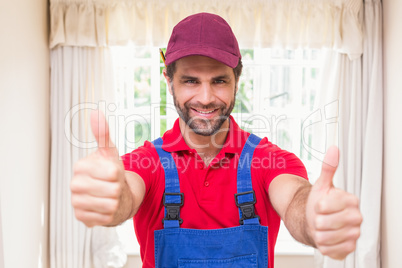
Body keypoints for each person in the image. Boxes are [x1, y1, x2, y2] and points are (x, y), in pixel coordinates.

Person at [71, 12, 363, 268]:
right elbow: (124, 195)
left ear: (237, 80)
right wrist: (110, 197)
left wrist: (314, 218)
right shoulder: (146, 163)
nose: (206, 98)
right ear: (168, 80)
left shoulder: (269, 160)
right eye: (191, 81)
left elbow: (296, 201)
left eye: (219, 80)